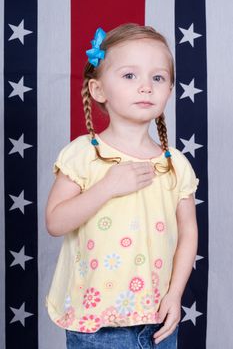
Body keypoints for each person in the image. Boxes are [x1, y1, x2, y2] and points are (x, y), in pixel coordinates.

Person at [46, 23, 199, 349]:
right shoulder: (84, 155)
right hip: (99, 320)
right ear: (99, 90)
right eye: (130, 76)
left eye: (157, 78)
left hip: (158, 316)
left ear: (169, 90)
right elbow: (55, 222)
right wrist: (107, 186)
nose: (145, 87)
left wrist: (174, 295)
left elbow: (188, 233)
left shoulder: (176, 164)